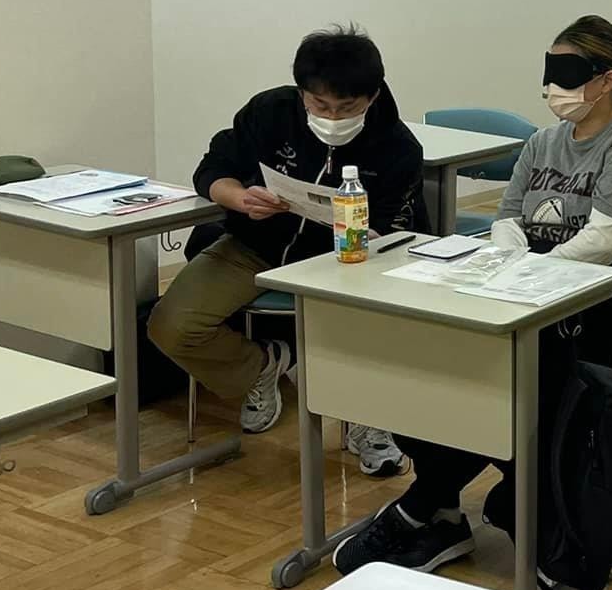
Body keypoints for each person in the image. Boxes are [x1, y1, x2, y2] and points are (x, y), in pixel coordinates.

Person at [334, 15, 612, 577]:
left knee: (503, 382)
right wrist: (512, 269)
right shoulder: (543, 142)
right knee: (438, 361)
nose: (555, 88)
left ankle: (426, 508)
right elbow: (508, 219)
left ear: (607, 80)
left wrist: (527, 276)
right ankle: (441, 512)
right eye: (551, 73)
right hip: (523, 299)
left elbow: (602, 243)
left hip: (606, 319)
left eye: (569, 75)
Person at [148, 26, 423, 475]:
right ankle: (262, 367)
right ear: (302, 94)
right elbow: (213, 168)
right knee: (172, 325)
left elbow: (399, 232)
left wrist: (368, 237)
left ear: (372, 97)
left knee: (376, 333)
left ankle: (371, 420)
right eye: (320, 105)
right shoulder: (269, 112)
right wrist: (239, 198)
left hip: (347, 263)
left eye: (347, 108)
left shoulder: (397, 147)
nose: (332, 117)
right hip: (257, 246)